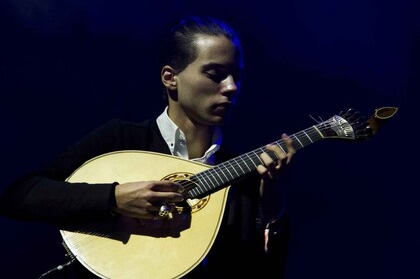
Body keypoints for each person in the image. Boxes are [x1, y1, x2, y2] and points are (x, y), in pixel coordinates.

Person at [0, 15, 295, 278]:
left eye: (237, 77)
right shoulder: (122, 139)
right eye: (215, 74)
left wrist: (272, 207)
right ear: (170, 78)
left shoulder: (241, 173)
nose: (231, 87)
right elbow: (20, 195)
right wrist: (113, 198)